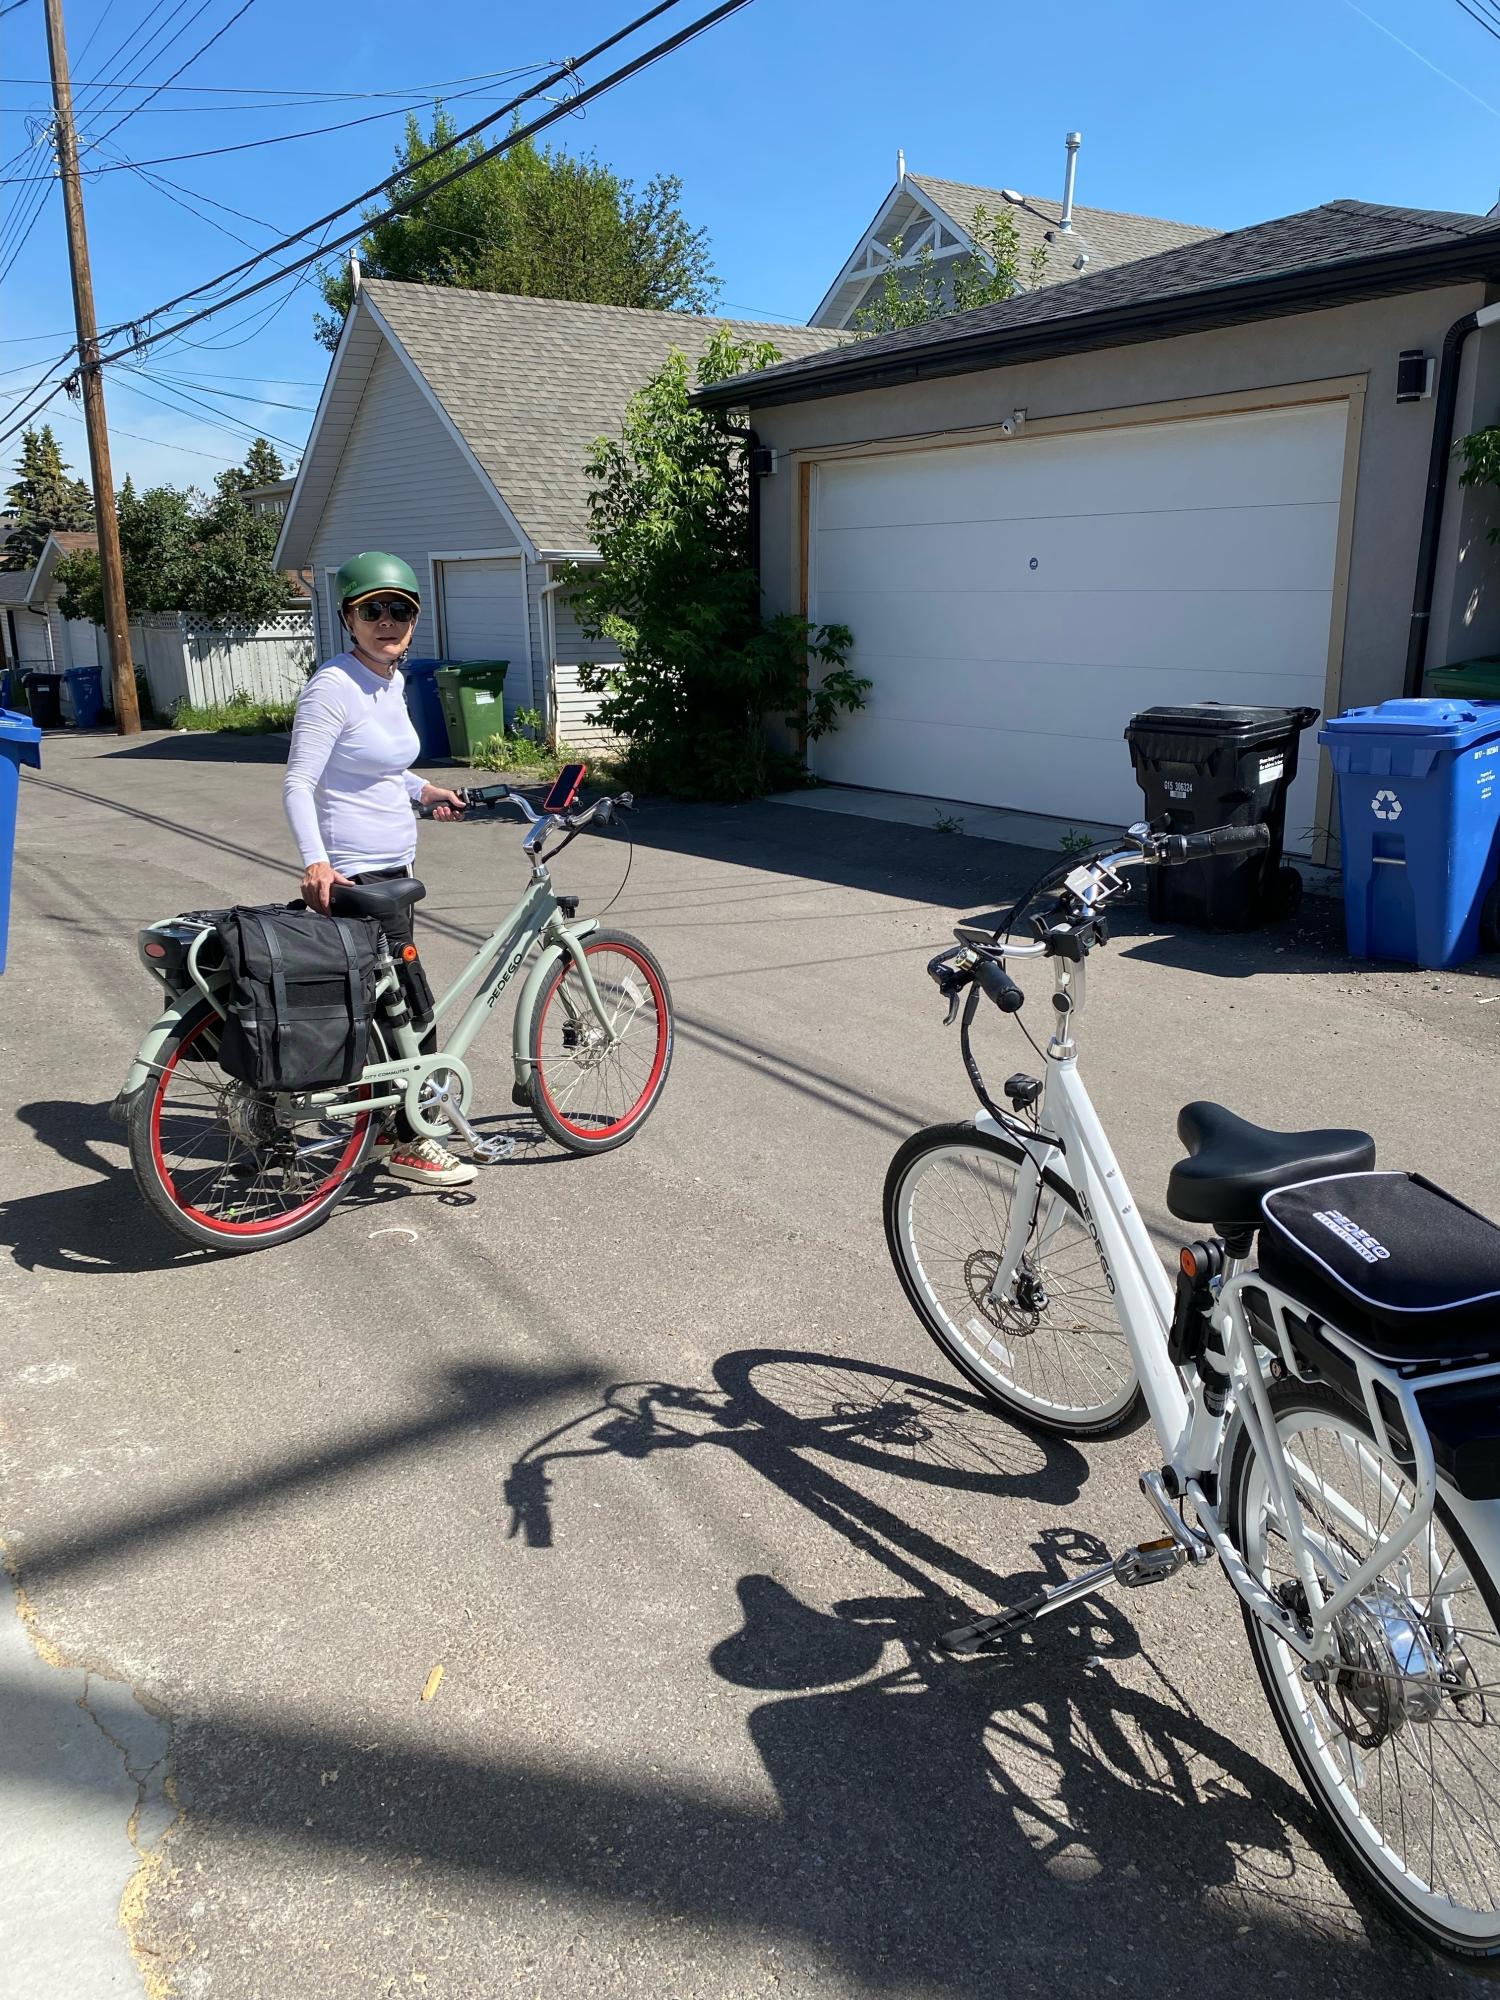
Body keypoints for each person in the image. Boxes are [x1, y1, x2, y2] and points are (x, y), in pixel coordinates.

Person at [283, 550, 475, 1189]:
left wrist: (425, 792)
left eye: (401, 610)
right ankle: (405, 1140)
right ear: (348, 617)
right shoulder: (334, 686)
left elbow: (384, 768)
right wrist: (317, 863)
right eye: (373, 610)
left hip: (397, 867)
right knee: (405, 1014)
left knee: (400, 1007)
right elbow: (299, 783)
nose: (388, 621)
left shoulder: (389, 681)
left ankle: (387, 1125)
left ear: (414, 620)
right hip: (357, 876)